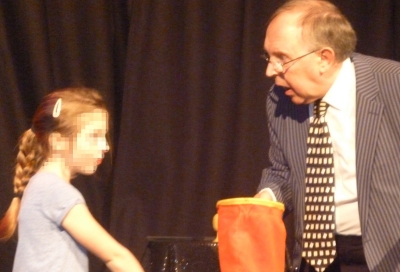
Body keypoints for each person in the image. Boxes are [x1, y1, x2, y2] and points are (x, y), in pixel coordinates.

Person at [255, 0, 400, 271]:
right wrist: (267, 200)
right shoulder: (279, 100)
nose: (270, 71)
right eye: (268, 57)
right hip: (315, 257)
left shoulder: (393, 85)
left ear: (324, 58)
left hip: (386, 256)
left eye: (282, 58)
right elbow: (284, 171)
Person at [0, 87, 144, 272]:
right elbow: (116, 256)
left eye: (104, 136)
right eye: (94, 136)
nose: (105, 146)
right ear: (57, 141)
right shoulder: (53, 190)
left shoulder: (41, 185)